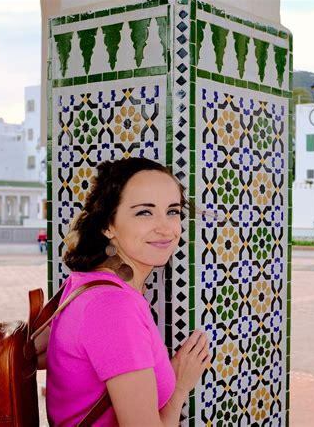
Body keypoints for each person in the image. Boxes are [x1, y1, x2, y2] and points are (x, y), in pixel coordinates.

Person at [46, 157, 209, 426]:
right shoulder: (113, 307)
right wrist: (179, 388)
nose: (166, 227)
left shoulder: (86, 282)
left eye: (173, 211)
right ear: (108, 225)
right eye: (144, 212)